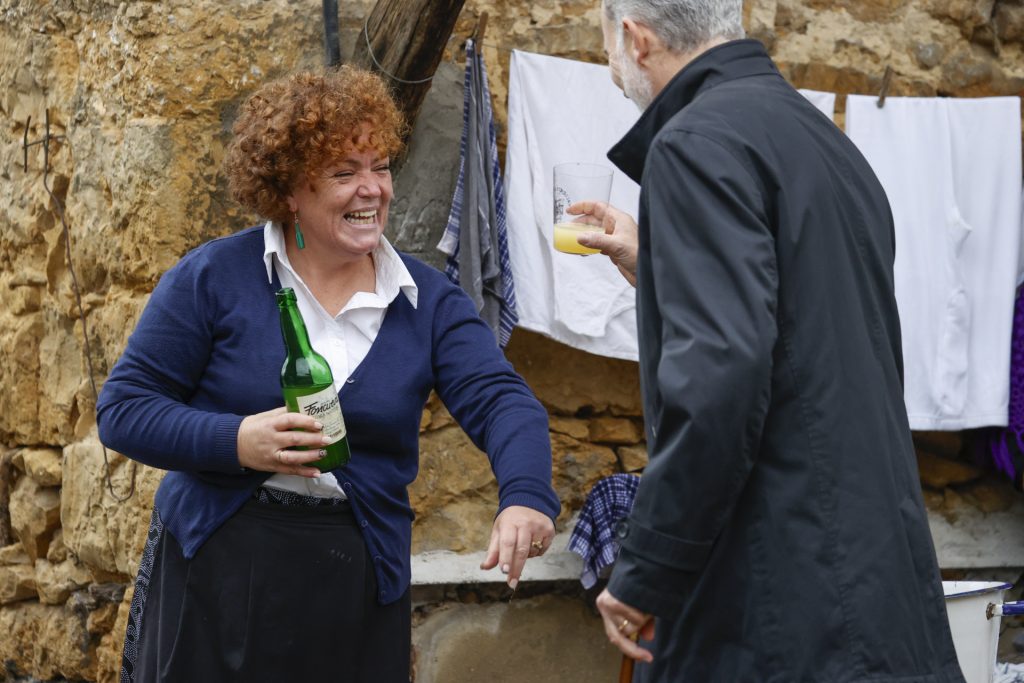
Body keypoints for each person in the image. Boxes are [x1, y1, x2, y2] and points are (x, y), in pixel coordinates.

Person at [96, 66, 559, 682]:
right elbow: (123, 409)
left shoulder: (428, 302)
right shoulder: (213, 277)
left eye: (381, 167)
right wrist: (237, 441)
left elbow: (502, 401)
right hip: (218, 569)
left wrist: (525, 496)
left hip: (356, 577)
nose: (372, 190)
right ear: (290, 190)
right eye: (344, 173)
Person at [568, 1, 966, 680]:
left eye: (606, 46)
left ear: (635, 39)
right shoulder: (821, 138)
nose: (611, 68)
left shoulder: (692, 144)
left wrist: (649, 569)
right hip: (876, 576)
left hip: (782, 597)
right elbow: (803, 323)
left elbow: (720, 378)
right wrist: (659, 264)